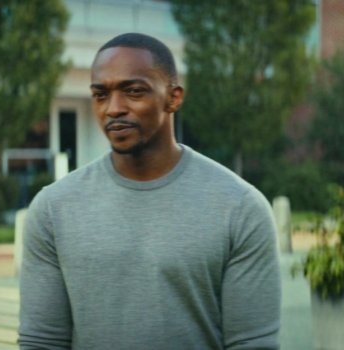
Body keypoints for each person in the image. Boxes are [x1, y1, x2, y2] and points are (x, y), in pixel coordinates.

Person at [18, 32, 281, 350]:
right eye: (101, 95)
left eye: (133, 91)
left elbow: (253, 345)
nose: (113, 108)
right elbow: (41, 342)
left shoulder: (240, 207)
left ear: (174, 97)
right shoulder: (52, 209)